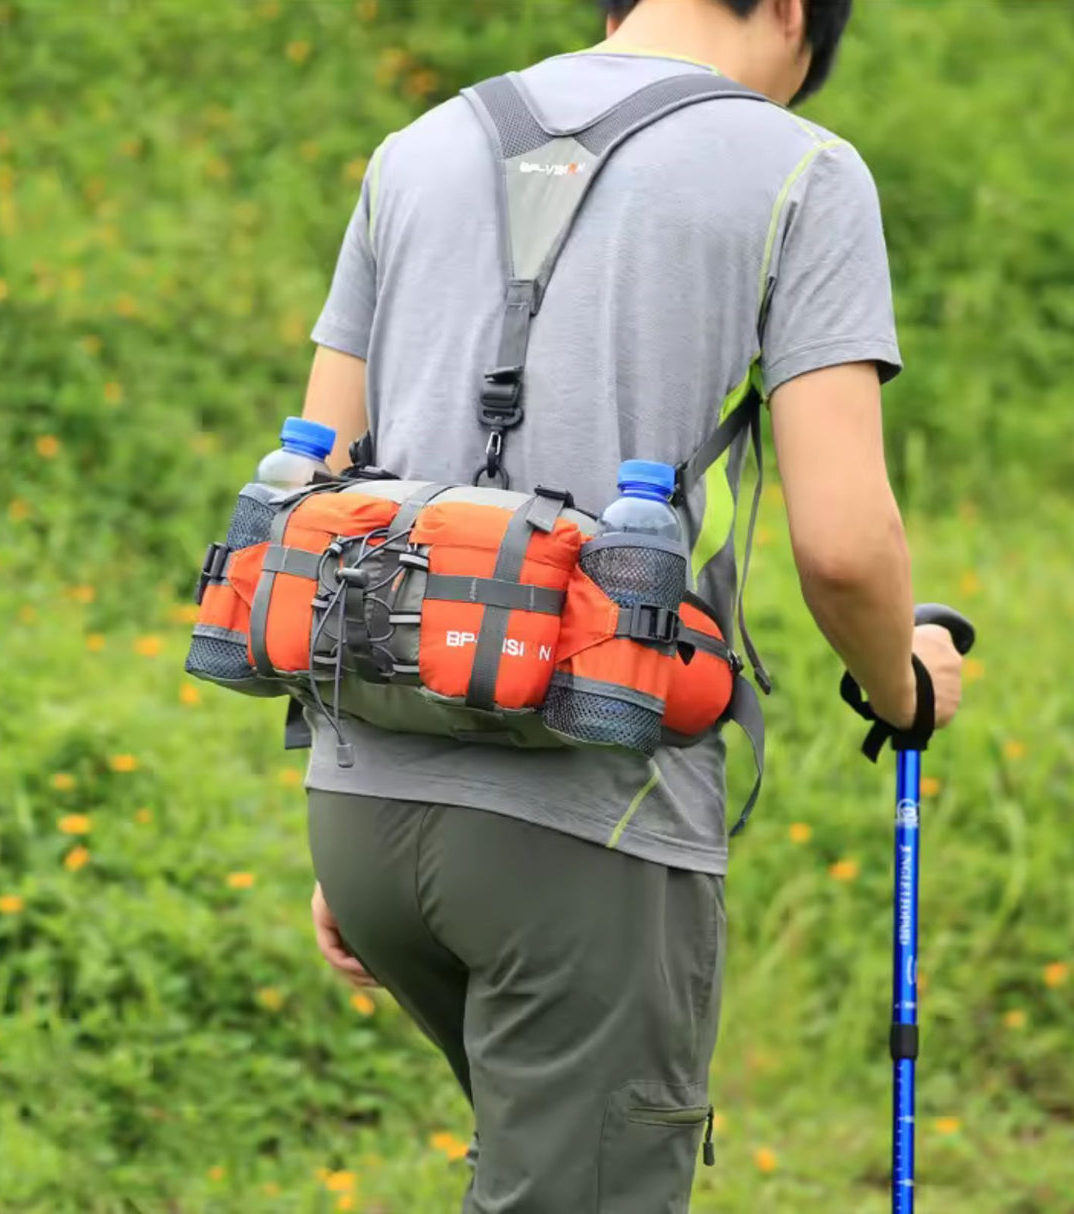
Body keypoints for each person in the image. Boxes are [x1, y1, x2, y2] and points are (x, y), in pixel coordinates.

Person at [298, 0, 964, 1208]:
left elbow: (317, 495)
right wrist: (899, 684)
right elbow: (845, 544)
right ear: (792, 14)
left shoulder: (419, 147)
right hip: (589, 809)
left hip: (362, 798)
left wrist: (356, 789)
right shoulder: (797, 168)